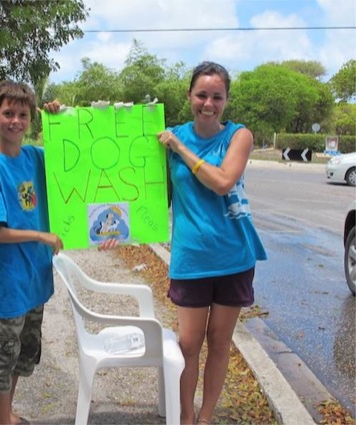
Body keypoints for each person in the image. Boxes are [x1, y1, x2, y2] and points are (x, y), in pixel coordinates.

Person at [0, 80, 116, 425]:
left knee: (21, 355)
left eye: (22, 114)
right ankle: (4, 421)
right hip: (7, 284)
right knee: (1, 359)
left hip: (35, 280)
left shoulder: (36, 158)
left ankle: (6, 416)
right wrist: (40, 235)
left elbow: (79, 158)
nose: (15, 121)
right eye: (8, 114)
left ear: (30, 120)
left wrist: (67, 117)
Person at [157, 62, 267, 425]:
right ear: (189, 95)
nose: (208, 103)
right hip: (191, 259)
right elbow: (134, 182)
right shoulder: (168, 137)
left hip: (234, 257)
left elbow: (222, 181)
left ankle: (206, 417)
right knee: (188, 345)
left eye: (216, 97)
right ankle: (186, 417)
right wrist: (65, 117)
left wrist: (181, 150)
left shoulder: (239, 136)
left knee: (220, 345)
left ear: (226, 100)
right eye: (201, 95)